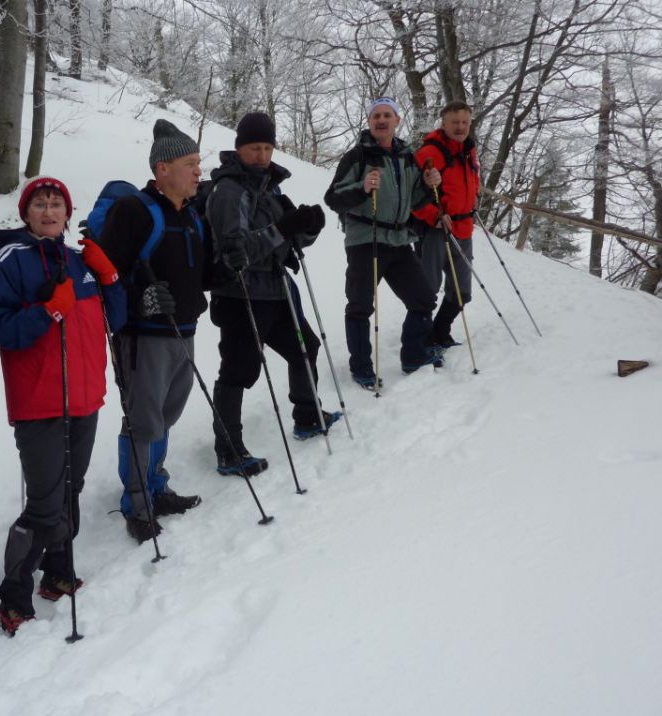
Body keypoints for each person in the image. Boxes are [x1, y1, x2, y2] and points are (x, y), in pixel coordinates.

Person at [0, 176, 126, 636]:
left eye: (57, 203)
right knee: (44, 503)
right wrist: (48, 311)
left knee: (70, 490)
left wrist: (110, 277)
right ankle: (13, 597)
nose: (49, 210)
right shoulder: (11, 262)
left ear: (68, 213)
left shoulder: (79, 261)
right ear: (25, 214)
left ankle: (58, 572)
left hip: (84, 397)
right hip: (40, 402)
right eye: (40, 204)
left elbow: (116, 321)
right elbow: (3, 330)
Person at [97, 119, 213, 544]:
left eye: (199, 163)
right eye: (191, 163)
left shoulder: (193, 217)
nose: (199, 171)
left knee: (166, 417)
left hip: (185, 332)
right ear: (163, 169)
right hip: (144, 336)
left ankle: (157, 487)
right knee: (143, 421)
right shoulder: (134, 212)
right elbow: (107, 276)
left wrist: (236, 257)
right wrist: (140, 300)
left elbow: (206, 274)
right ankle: (137, 502)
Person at [205, 111, 340, 476]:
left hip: (276, 289)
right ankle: (229, 449)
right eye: (254, 148)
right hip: (240, 293)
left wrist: (309, 227)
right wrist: (283, 227)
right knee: (239, 369)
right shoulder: (229, 189)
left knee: (305, 349)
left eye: (267, 147)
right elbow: (235, 252)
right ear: (239, 148)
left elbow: (290, 241)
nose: (262, 155)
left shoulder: (270, 187)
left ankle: (308, 416)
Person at [323, 97, 444, 389]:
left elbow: (415, 200)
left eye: (387, 115)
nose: (381, 120)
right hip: (366, 239)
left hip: (399, 240)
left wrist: (429, 186)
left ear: (397, 120)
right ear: (369, 121)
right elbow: (333, 198)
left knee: (424, 299)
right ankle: (361, 367)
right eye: (376, 115)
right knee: (360, 306)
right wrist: (362, 188)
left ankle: (413, 355)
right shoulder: (357, 157)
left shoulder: (406, 157)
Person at [412, 100, 480, 348]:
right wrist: (434, 215)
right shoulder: (429, 153)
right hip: (434, 231)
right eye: (455, 122)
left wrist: (474, 198)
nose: (460, 127)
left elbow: (472, 180)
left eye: (465, 122)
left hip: (464, 228)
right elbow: (411, 196)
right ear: (444, 123)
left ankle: (440, 331)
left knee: (462, 292)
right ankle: (421, 340)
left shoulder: (468, 149)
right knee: (427, 291)